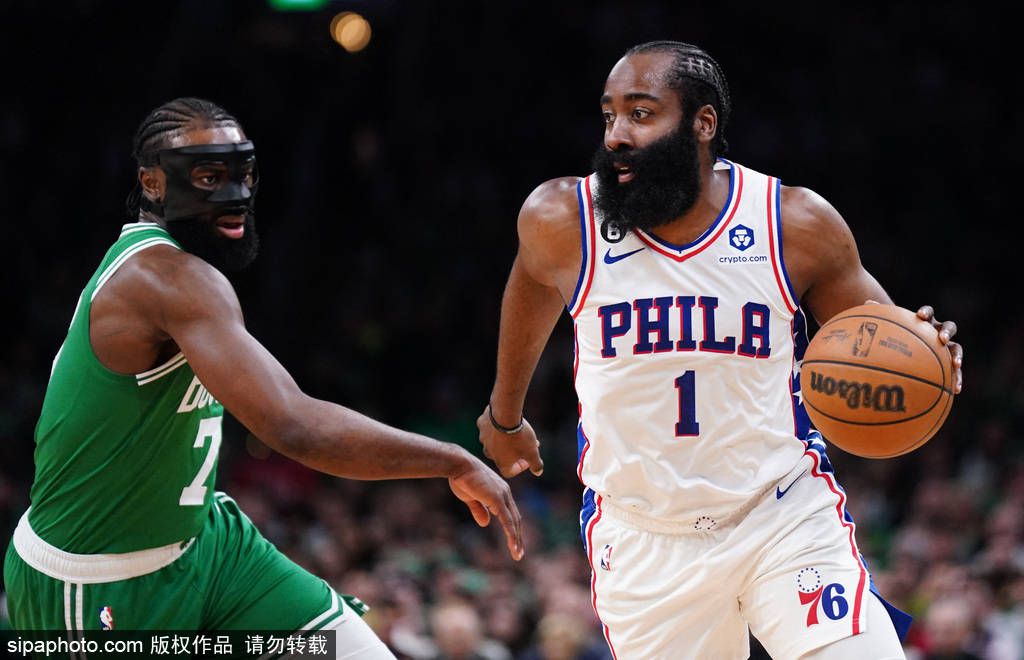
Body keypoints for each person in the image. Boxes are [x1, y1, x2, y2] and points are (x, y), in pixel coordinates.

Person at [477, 41, 964, 659]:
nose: (618, 135)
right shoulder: (562, 218)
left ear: (703, 124)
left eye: (641, 113)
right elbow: (529, 288)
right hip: (642, 535)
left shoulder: (794, 223)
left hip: (780, 512)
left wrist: (929, 350)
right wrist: (505, 415)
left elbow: (882, 344)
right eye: (609, 116)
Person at [3, 97, 523, 658]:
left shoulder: (189, 275)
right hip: (99, 580)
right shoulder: (164, 278)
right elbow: (294, 425)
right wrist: (452, 458)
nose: (235, 196)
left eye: (243, 174)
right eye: (208, 176)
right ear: (153, 184)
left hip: (210, 548)